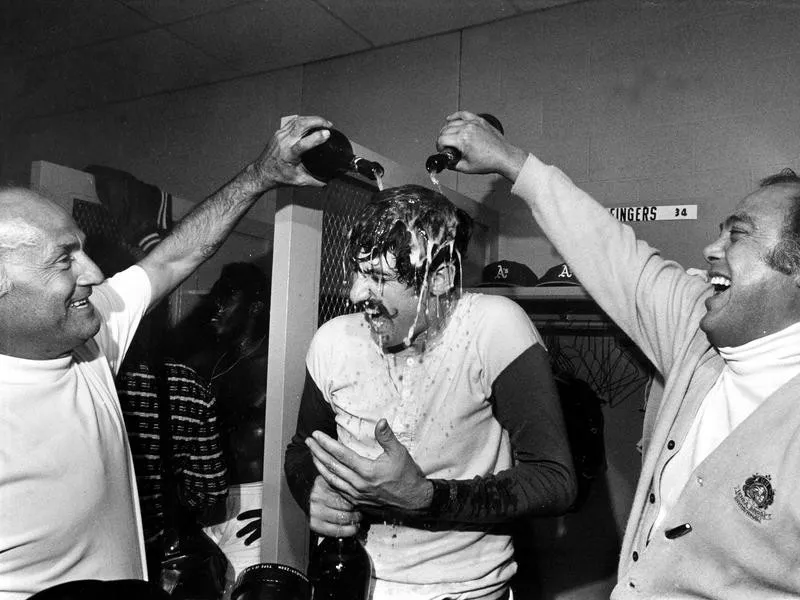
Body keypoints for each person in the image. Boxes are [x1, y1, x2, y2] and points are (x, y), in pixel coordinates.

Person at [434, 110, 800, 598]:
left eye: (737, 234)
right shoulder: (696, 334)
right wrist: (512, 162)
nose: (711, 247)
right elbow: (611, 250)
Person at [0, 115, 333, 600]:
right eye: (63, 258)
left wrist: (262, 175)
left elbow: (170, 259)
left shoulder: (90, 335)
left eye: (84, 251)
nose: (94, 272)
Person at [284, 184, 576, 600]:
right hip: (348, 583)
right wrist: (312, 489)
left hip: (461, 590)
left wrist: (426, 497)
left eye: (379, 278)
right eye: (357, 271)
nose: (355, 293)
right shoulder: (333, 340)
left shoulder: (492, 328)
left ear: (439, 277)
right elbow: (300, 449)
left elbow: (555, 480)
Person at [172, 261, 271, 588]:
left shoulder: (278, 366)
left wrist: (284, 511)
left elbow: (316, 444)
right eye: (217, 295)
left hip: (254, 514)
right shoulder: (213, 362)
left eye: (228, 297)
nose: (216, 306)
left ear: (255, 306)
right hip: (207, 514)